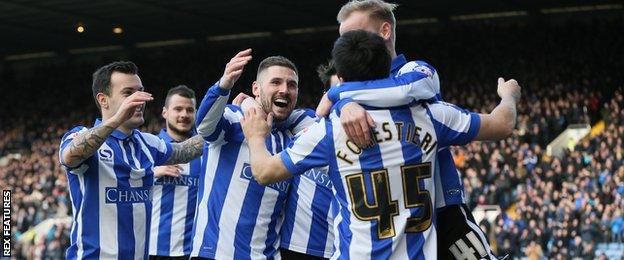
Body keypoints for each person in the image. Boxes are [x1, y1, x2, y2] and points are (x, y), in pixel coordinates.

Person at [241, 30, 520, 259]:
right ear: (388, 68)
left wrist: (255, 136)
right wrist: (508, 96)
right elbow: (502, 124)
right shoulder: (432, 116)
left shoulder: (329, 130)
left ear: (344, 79)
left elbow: (264, 172)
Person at [315, 1, 500, 258]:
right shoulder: (347, 96)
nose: (348, 46)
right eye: (343, 39)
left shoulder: (413, 71)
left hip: (441, 211)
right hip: (385, 219)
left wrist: (339, 95)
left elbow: (408, 89)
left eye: (355, 35)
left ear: (385, 31)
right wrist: (343, 101)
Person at [59, 61, 205, 259]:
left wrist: (223, 119)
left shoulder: (148, 144)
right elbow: (70, 155)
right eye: (128, 93)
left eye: (140, 92)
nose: (139, 99)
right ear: (103, 100)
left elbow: (185, 151)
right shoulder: (81, 135)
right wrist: (116, 119)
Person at [190, 49, 320, 259]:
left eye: (292, 85)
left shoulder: (294, 134)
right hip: (215, 254)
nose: (284, 90)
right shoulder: (234, 119)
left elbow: (324, 120)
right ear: (256, 89)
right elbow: (204, 127)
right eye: (275, 82)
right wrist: (225, 84)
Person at [149, 85, 202, 259]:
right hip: (152, 249)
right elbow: (123, 183)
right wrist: (152, 173)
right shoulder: (149, 148)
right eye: (178, 109)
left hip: (192, 251)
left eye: (190, 110)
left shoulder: (207, 154)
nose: (184, 115)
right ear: (165, 112)